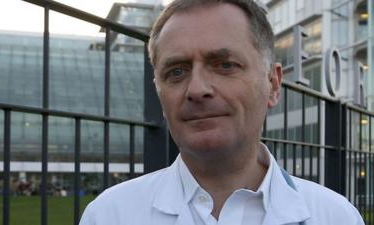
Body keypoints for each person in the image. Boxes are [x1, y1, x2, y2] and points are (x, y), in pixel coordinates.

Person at [80, 0, 365, 224]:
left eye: (225, 65)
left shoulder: (337, 217)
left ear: (273, 84)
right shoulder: (108, 216)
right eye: (176, 71)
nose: (197, 89)